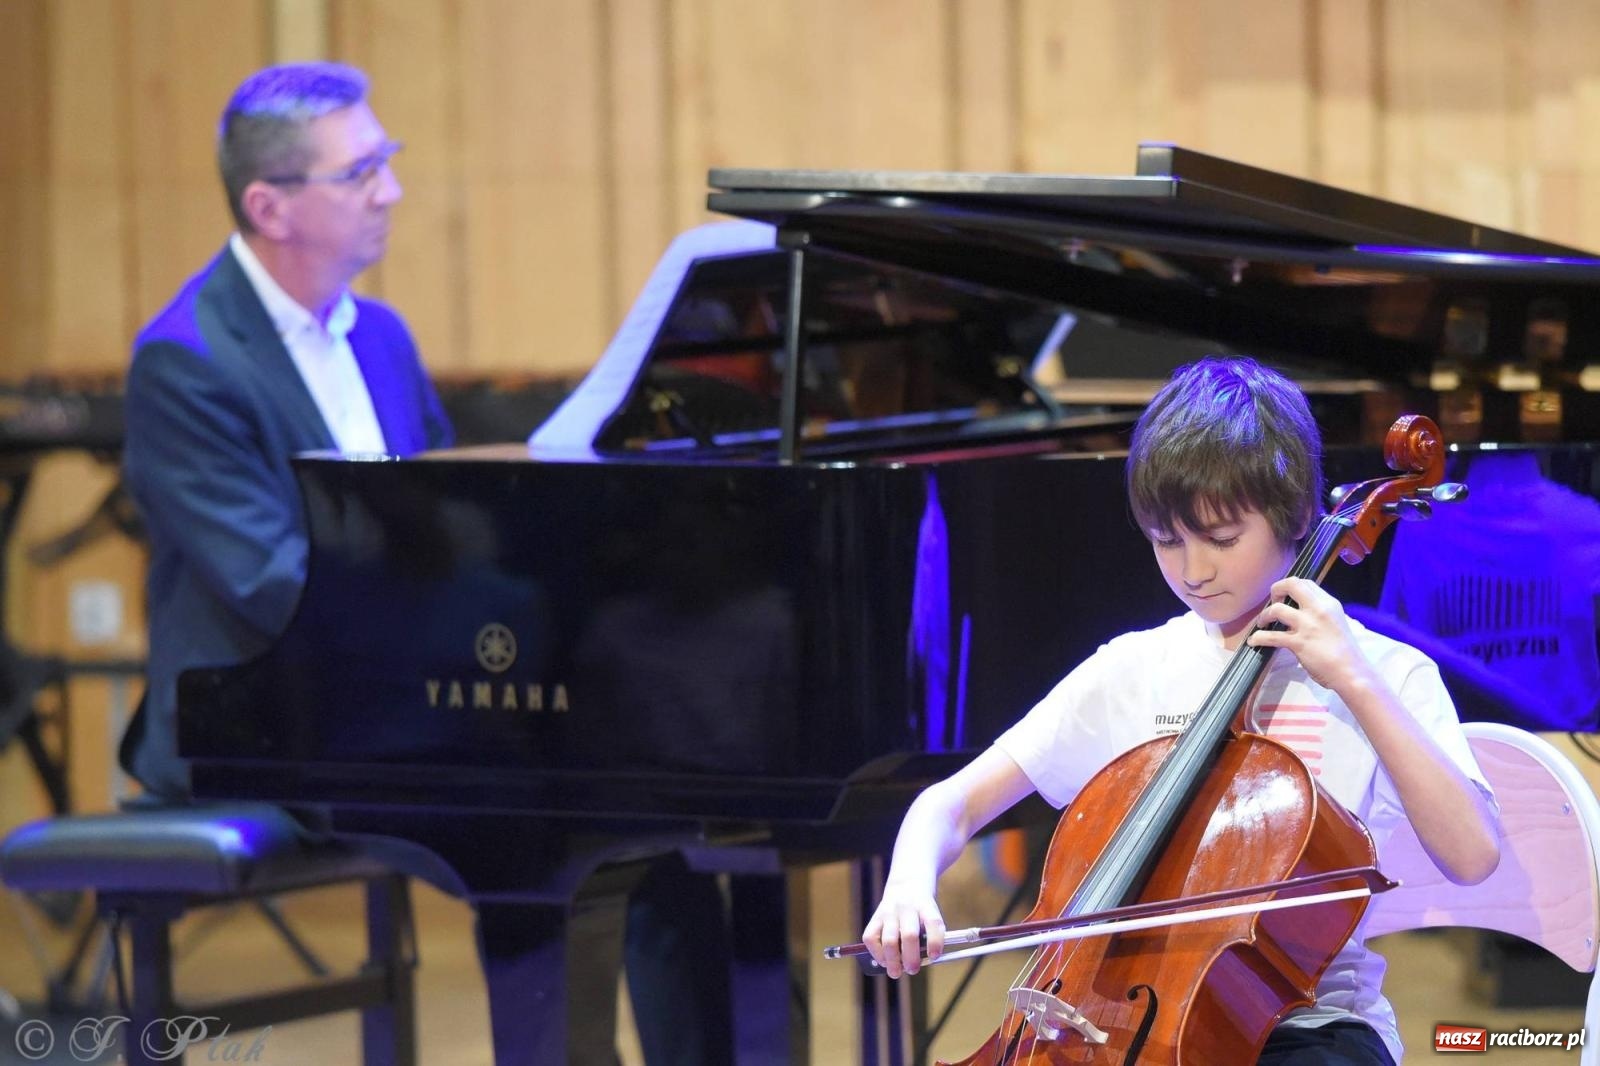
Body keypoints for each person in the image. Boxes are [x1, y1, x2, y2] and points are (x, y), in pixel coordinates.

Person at [861, 356, 1501, 1065]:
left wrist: (1355, 683)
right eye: (1168, 541)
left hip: (1310, 1028)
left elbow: (1473, 855)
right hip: (1112, 1026)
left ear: (1294, 516)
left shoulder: (1383, 674)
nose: (1194, 570)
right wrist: (908, 886)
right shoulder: (1136, 669)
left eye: (1222, 540)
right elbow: (947, 806)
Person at [120, 60, 451, 799]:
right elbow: (270, 580)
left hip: (379, 699)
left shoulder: (383, 337)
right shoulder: (185, 362)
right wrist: (444, 642)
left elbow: (446, 515)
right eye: (360, 172)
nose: (389, 192)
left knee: (631, 793)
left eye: (385, 163)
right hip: (255, 728)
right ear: (269, 209)